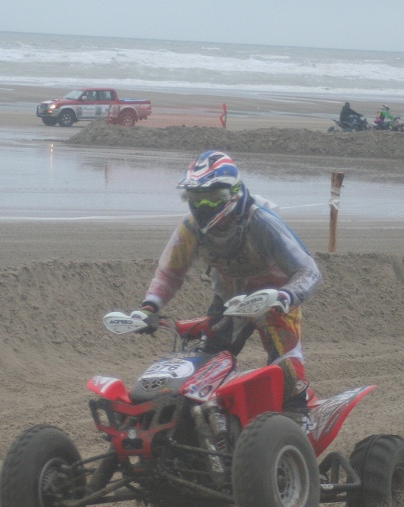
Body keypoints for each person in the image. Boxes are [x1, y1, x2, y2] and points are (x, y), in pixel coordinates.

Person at [138, 150, 322, 421]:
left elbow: (308, 269)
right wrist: (149, 306)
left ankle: (299, 418)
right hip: (229, 299)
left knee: (285, 367)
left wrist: (288, 295)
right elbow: (170, 273)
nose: (203, 207)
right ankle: (206, 420)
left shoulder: (260, 221)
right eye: (196, 199)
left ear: (232, 194)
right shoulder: (191, 228)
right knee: (206, 361)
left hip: (274, 299)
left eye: (212, 199)